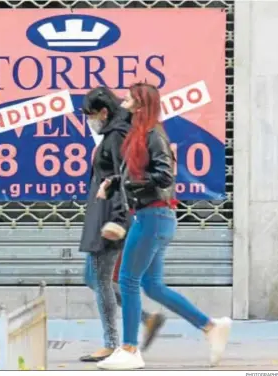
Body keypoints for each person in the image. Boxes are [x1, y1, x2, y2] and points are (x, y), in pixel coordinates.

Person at [95, 83, 232, 370]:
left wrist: (128, 184)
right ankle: (210, 327)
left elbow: (163, 176)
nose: (125, 100)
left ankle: (130, 349)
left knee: (128, 280)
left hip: (153, 217)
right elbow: (141, 174)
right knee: (152, 285)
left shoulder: (152, 134)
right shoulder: (140, 133)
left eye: (130, 97)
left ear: (141, 104)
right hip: (155, 216)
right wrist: (115, 183)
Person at [79, 87, 166, 363]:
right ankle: (146, 319)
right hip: (103, 213)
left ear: (103, 112)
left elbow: (123, 177)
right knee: (93, 277)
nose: (89, 120)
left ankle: (112, 343)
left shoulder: (116, 135)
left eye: (91, 115)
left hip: (110, 216)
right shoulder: (113, 131)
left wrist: (117, 220)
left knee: (100, 278)